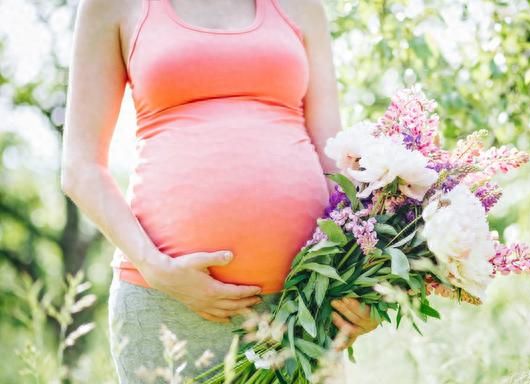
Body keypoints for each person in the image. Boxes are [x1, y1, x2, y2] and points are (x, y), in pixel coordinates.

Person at [60, 0, 379, 381]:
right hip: (168, 302)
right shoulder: (113, 6)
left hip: (303, 306)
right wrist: (154, 266)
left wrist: (366, 282)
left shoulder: (301, 6)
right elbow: (80, 169)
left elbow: (335, 158)